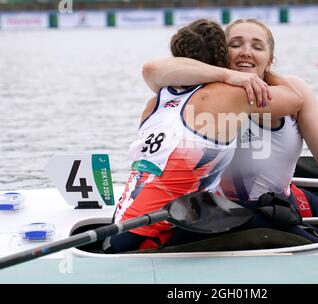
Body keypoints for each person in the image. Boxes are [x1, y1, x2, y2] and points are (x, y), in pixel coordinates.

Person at [141, 18, 318, 237]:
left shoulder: (293, 89)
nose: (246, 52)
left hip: (283, 203)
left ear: (270, 59)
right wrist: (231, 76)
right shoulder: (208, 93)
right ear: (221, 55)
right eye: (235, 44)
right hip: (223, 213)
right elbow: (154, 70)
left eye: (257, 46)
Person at [103, 19, 303, 253]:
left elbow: (151, 69)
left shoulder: (154, 102)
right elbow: (295, 99)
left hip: (118, 230)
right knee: (274, 216)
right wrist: (261, 67)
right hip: (151, 238)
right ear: (222, 59)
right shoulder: (229, 96)